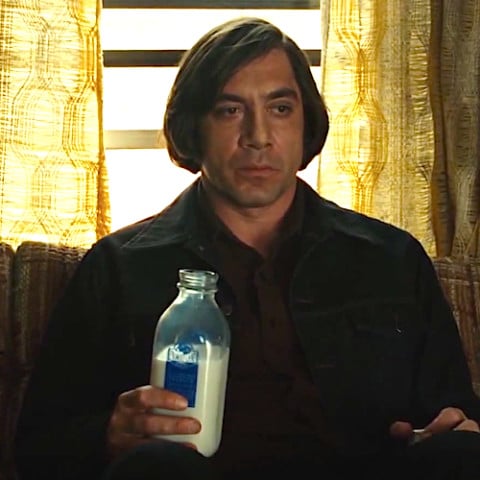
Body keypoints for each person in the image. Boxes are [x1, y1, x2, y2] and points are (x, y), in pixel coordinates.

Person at [14, 16, 480, 480]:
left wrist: (450, 431)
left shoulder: (391, 258)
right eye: (229, 110)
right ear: (193, 129)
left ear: (306, 124)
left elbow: (456, 415)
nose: (258, 136)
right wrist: (109, 435)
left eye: (280, 108)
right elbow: (39, 448)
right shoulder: (118, 267)